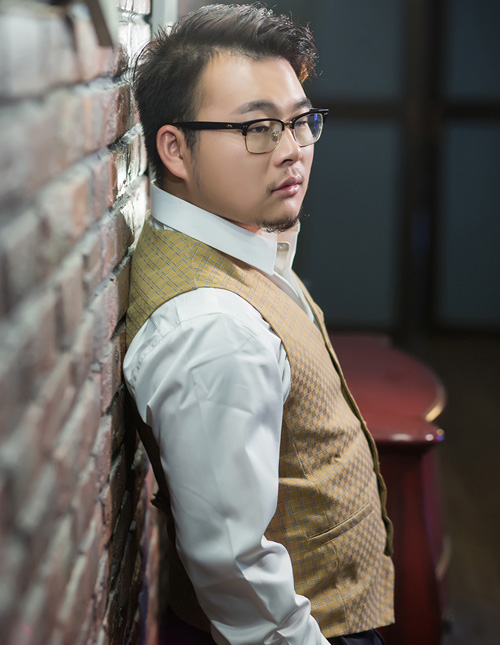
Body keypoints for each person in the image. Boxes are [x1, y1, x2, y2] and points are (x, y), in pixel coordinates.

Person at [124, 4, 394, 644]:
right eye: (258, 129)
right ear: (174, 148)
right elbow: (236, 570)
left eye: (300, 122)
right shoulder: (211, 328)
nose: (293, 150)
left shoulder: (236, 239)